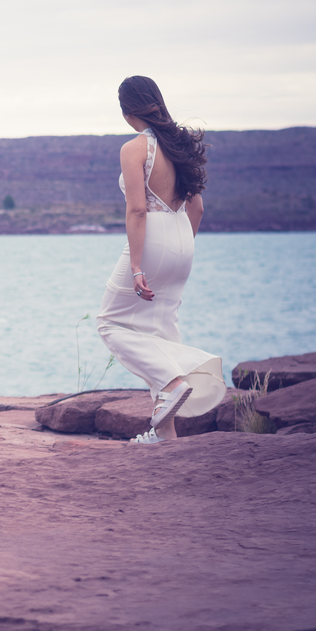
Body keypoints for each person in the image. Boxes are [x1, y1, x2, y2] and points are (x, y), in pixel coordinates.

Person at [96, 76, 225, 444]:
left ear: (126, 111)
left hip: (153, 239)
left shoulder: (135, 148)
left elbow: (137, 210)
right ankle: (166, 435)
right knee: (161, 329)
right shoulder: (178, 145)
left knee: (110, 323)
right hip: (183, 238)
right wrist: (178, 250)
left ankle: (172, 383)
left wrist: (138, 266)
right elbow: (196, 207)